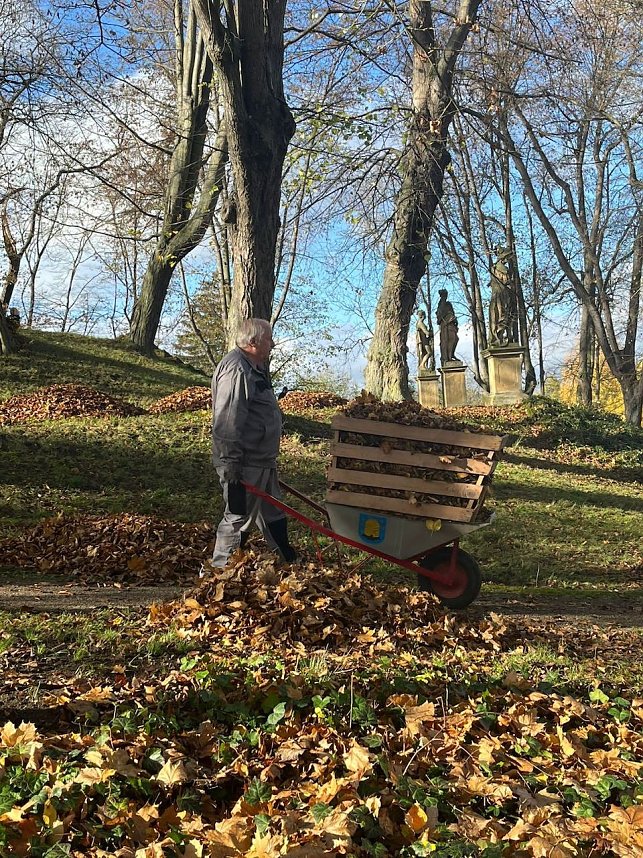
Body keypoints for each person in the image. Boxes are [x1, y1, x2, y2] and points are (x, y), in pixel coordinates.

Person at [210, 318, 297, 568]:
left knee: (272, 512)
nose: (273, 344)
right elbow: (228, 419)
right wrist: (231, 463)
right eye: (269, 339)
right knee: (238, 517)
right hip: (243, 462)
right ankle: (220, 572)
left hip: (262, 461)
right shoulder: (237, 370)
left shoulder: (253, 369)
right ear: (253, 341)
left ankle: (288, 561)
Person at [488, 245, 517, 346]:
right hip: (502, 296)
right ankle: (500, 337)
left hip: (497, 297)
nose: (508, 259)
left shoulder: (494, 268)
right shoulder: (502, 268)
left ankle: (499, 337)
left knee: (499, 316)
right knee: (503, 315)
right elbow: (506, 281)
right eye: (508, 257)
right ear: (504, 257)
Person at [436, 289, 459, 364]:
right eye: (443, 295)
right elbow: (439, 316)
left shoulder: (448, 304)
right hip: (446, 326)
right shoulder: (441, 304)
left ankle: (451, 355)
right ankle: (448, 357)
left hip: (451, 324)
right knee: (449, 340)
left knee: (455, 339)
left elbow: (452, 313)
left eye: (445, 295)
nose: (445, 297)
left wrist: (454, 319)